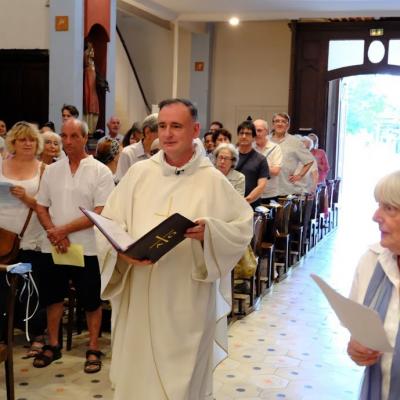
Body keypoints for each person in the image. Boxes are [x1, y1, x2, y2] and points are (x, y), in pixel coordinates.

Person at [97, 98, 253, 400]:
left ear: (195, 129)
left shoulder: (212, 181)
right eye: (163, 126)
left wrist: (211, 232)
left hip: (187, 298)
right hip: (140, 291)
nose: (166, 134)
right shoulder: (139, 174)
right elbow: (110, 222)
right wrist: (121, 251)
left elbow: (241, 228)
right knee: (138, 374)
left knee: (182, 379)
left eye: (176, 126)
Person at [34, 118, 115, 373]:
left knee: (91, 300)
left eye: (74, 137)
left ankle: (92, 346)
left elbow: (100, 210)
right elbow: (41, 205)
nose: (67, 142)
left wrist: (63, 230)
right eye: (64, 136)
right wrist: (53, 232)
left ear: (84, 137)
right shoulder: (52, 170)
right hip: (55, 247)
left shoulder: (100, 171)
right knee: (53, 297)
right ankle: (54, 343)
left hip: (87, 246)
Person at [347, 170, 400, 400]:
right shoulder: (371, 260)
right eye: (379, 206)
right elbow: (360, 331)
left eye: (389, 208)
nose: (376, 216)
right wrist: (357, 348)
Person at [0, 121, 47, 356]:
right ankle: (3, 335)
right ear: (13, 143)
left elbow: (49, 205)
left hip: (31, 237)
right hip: (2, 238)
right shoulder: (0, 165)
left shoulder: (43, 169)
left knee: (30, 283)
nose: (27, 143)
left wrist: (28, 199)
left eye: (31, 139)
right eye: (22, 140)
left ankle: (36, 334)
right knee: (2, 286)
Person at [270, 113, 314, 196]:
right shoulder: (265, 140)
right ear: (273, 124)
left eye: (283, 121)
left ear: (288, 125)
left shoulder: (295, 142)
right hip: (266, 189)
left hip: (285, 189)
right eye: (277, 121)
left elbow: (309, 160)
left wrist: (300, 175)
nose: (280, 124)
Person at [235, 120, 269, 208]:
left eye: (248, 134)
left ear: (254, 137)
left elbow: (261, 186)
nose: (244, 136)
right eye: (241, 133)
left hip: (251, 205)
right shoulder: (230, 157)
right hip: (230, 203)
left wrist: (245, 201)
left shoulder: (261, 159)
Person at [115, 113, 158, 181]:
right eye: (162, 130)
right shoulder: (128, 153)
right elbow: (120, 183)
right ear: (148, 132)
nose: (166, 135)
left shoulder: (164, 153)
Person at [253, 119, 282, 202]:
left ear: (267, 132)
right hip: (252, 193)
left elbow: (276, 171)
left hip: (270, 194)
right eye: (254, 131)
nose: (256, 134)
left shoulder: (275, 148)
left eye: (259, 130)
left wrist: (259, 166)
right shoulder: (249, 147)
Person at [83, 42, 100, 134]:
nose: (93, 52)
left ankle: (92, 129)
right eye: (91, 50)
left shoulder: (93, 64)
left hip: (93, 90)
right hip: (88, 88)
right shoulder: (87, 66)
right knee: (88, 106)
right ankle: (88, 129)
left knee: (94, 107)